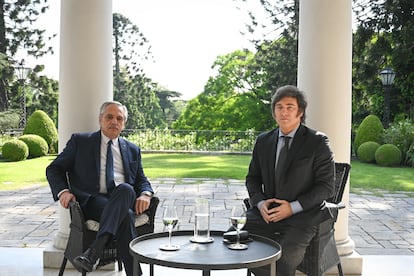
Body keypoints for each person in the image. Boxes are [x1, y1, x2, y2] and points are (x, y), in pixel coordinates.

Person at [46, 101, 153, 276]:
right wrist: (63, 191)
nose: (114, 122)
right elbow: (54, 169)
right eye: (109, 117)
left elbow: (141, 180)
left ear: (124, 123)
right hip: (93, 203)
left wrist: (146, 194)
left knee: (126, 189)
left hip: (123, 198)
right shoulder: (81, 142)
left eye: (119, 118)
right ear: (100, 119)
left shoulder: (133, 149)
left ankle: (94, 252)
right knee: (125, 216)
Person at [243, 85, 335, 276]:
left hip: (302, 216)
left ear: (300, 112)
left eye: (290, 107)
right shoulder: (263, 141)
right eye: (279, 107)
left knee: (283, 260)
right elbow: (252, 178)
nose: (284, 111)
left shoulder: (317, 142)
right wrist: (259, 203)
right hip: (266, 214)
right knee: (233, 242)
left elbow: (326, 187)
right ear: (274, 112)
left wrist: (291, 207)